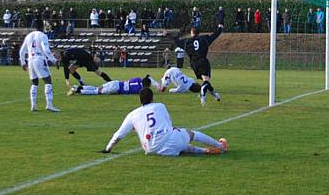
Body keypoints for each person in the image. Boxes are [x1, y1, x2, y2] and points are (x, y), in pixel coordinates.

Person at [98, 88, 228, 156]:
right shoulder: (160, 106)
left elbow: (118, 135)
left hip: (150, 149)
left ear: (139, 100)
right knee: (190, 134)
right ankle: (220, 146)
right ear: (152, 98)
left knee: (178, 146)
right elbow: (169, 125)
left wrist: (108, 149)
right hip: (169, 140)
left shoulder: (132, 114)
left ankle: (202, 151)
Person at [174, 24, 223, 105]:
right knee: (206, 81)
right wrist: (220, 28)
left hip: (193, 64)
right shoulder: (204, 39)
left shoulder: (187, 41)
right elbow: (215, 35)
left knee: (206, 81)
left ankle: (215, 95)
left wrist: (168, 35)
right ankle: (202, 93)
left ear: (192, 33)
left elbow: (177, 42)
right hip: (202, 61)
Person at [19, 20, 60, 112]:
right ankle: (49, 105)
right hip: (39, 59)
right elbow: (46, 50)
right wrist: (54, 60)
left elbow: (22, 51)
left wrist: (23, 63)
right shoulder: (42, 35)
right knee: (48, 81)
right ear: (42, 27)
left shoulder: (28, 36)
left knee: (34, 82)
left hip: (30, 61)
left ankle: (33, 105)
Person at [69, 75, 160, 96]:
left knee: (97, 88)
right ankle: (77, 90)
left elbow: (147, 76)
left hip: (116, 82)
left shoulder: (138, 79)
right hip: (116, 88)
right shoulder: (140, 89)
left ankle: (78, 87)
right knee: (97, 92)